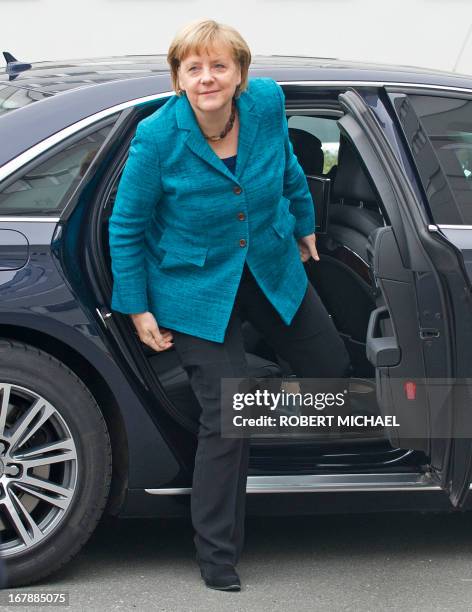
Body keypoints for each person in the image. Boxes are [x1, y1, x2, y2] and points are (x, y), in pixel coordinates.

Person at [108, 18, 351, 592]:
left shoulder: (265, 105)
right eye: (194, 68)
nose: (207, 77)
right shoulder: (158, 137)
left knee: (332, 372)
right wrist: (138, 308)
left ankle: (253, 424)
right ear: (179, 78)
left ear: (240, 73)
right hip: (194, 286)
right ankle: (216, 553)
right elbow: (126, 225)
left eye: (219, 65)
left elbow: (291, 170)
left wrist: (303, 224)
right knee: (227, 419)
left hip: (267, 265)